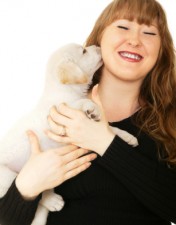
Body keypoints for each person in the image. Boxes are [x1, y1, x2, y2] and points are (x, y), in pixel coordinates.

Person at [0, 0, 176, 224]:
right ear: (100, 36)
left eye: (149, 32)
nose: (134, 40)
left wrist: (104, 142)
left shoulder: (169, 123)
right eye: (123, 27)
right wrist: (26, 187)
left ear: (161, 51)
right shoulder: (55, 117)